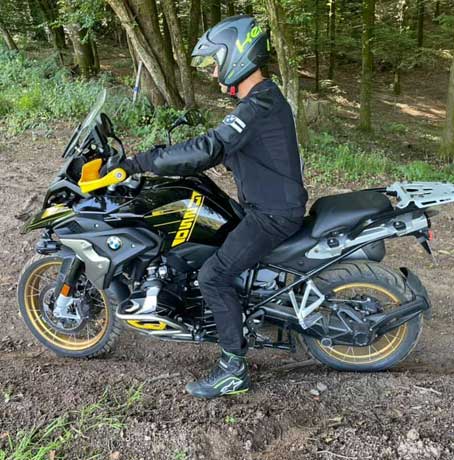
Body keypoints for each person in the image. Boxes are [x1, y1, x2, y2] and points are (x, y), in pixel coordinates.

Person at [108, 15, 308, 398]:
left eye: (216, 63)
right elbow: (226, 146)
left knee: (213, 276)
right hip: (266, 203)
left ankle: (233, 368)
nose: (215, 73)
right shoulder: (263, 98)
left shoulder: (257, 106)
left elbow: (211, 147)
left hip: (272, 213)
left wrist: (141, 163)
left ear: (237, 56)